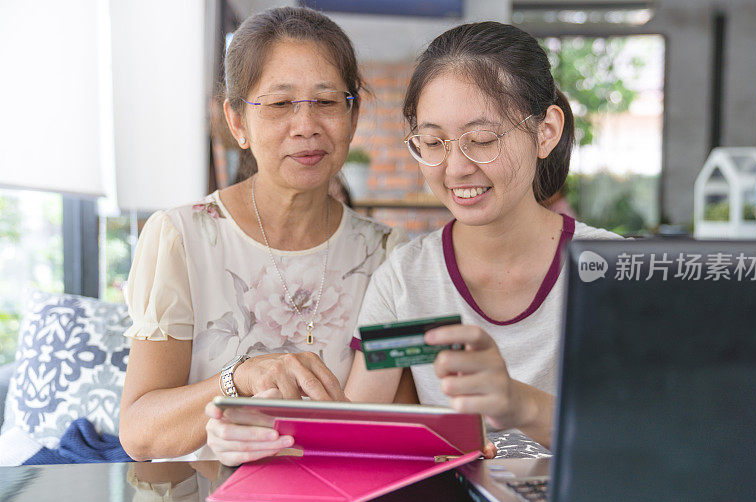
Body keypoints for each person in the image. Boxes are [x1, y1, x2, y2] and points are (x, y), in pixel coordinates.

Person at [205, 21, 621, 466]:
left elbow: (657, 434)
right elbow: (354, 438)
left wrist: (518, 404)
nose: (456, 167)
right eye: (433, 141)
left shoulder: (615, 271)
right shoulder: (405, 281)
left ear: (546, 132)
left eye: (483, 139)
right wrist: (254, 434)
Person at [119, 7, 407, 462]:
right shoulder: (181, 238)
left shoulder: (390, 256)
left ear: (353, 117)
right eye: (279, 104)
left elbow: (404, 429)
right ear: (238, 123)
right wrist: (240, 378)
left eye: (328, 101)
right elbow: (139, 432)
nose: (306, 125)